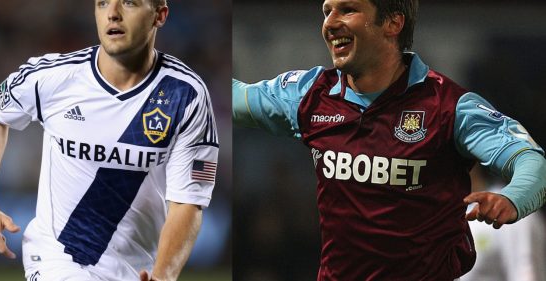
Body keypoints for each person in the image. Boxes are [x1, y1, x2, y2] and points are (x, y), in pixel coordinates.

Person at [233, 0, 546, 280]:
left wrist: (512, 199)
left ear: (393, 23)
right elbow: (228, 96)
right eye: (327, 11)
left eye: (348, 9)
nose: (330, 22)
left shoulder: (449, 107)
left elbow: (531, 161)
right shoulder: (309, 94)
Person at [0, 0, 219, 280]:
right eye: (102, 3)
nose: (112, 13)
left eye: (129, 3)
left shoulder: (186, 95)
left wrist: (163, 276)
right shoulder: (54, 77)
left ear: (159, 15)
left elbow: (187, 202)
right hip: (58, 257)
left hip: (137, 270)